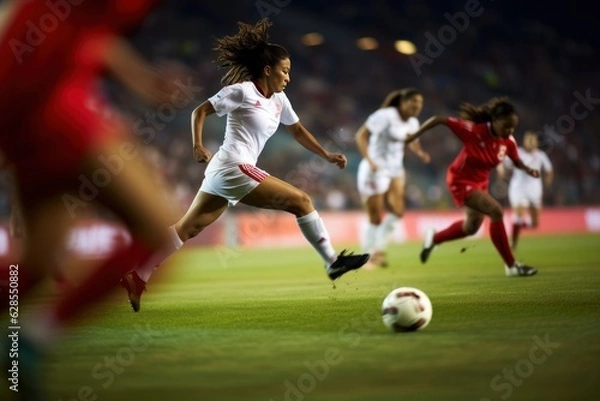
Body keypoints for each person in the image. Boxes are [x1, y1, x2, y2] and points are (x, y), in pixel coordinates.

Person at [0, 0, 185, 398]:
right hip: (60, 113)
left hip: (24, 124)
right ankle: (36, 335)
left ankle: (33, 336)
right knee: (162, 232)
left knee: (32, 271)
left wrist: (141, 80)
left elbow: (87, 35)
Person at [121, 18, 369, 312]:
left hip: (224, 172)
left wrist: (326, 154)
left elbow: (298, 131)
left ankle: (139, 275)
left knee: (185, 229)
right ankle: (332, 262)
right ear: (268, 70)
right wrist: (198, 145)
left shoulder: (279, 99)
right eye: (285, 71)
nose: (288, 78)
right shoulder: (242, 92)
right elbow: (200, 111)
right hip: (232, 165)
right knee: (302, 201)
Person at [405, 97, 540, 277]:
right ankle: (512, 266)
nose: (510, 130)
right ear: (495, 120)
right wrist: (413, 136)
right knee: (496, 211)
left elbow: (516, 160)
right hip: (460, 180)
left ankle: (434, 238)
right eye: (506, 126)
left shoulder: (508, 141)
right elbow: (440, 119)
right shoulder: (474, 130)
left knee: (471, 228)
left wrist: (528, 169)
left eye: (513, 127)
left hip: (480, 182)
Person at [355, 88, 430, 268]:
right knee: (375, 215)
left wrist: (419, 152)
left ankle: (378, 249)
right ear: (402, 103)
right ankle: (367, 256)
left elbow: (411, 139)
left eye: (419, 105)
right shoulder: (385, 116)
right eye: (413, 104)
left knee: (398, 211)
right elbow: (361, 136)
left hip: (395, 169)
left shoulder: (413, 122)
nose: (417, 108)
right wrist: (369, 160)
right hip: (375, 168)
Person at [497, 131, 553, 250]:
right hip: (518, 188)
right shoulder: (517, 153)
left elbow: (549, 169)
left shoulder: (541, 155)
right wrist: (501, 170)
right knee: (519, 214)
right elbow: (502, 162)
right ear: (525, 142)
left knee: (534, 223)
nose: (532, 144)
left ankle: (516, 227)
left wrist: (548, 179)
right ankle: (513, 243)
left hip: (535, 190)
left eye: (533, 141)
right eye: (529, 141)